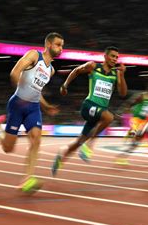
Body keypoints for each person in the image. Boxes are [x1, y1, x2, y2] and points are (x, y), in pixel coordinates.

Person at [0, 32, 63, 194]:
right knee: (8, 148)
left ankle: (28, 178)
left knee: (37, 139)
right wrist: (21, 88)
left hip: (33, 108)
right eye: (58, 44)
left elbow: (37, 91)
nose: (61, 48)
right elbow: (14, 73)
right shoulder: (33, 55)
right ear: (48, 45)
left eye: (62, 46)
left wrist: (46, 106)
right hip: (17, 105)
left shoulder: (51, 70)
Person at [51, 46, 127, 176]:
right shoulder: (93, 66)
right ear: (105, 56)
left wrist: (122, 75)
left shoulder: (116, 74)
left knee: (78, 142)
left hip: (99, 112)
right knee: (109, 117)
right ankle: (89, 144)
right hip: (88, 106)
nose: (115, 59)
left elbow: (123, 93)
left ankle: (61, 156)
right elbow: (76, 70)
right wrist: (65, 85)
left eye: (116, 57)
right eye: (112, 56)